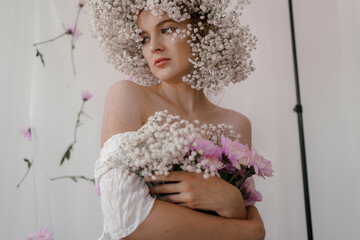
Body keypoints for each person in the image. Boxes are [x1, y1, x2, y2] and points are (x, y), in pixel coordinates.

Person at [90, 0, 264, 239]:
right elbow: (124, 218)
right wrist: (248, 231)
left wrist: (233, 202)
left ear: (202, 30)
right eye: (144, 38)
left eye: (167, 29)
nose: (154, 47)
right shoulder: (128, 96)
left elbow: (241, 210)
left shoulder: (237, 125)